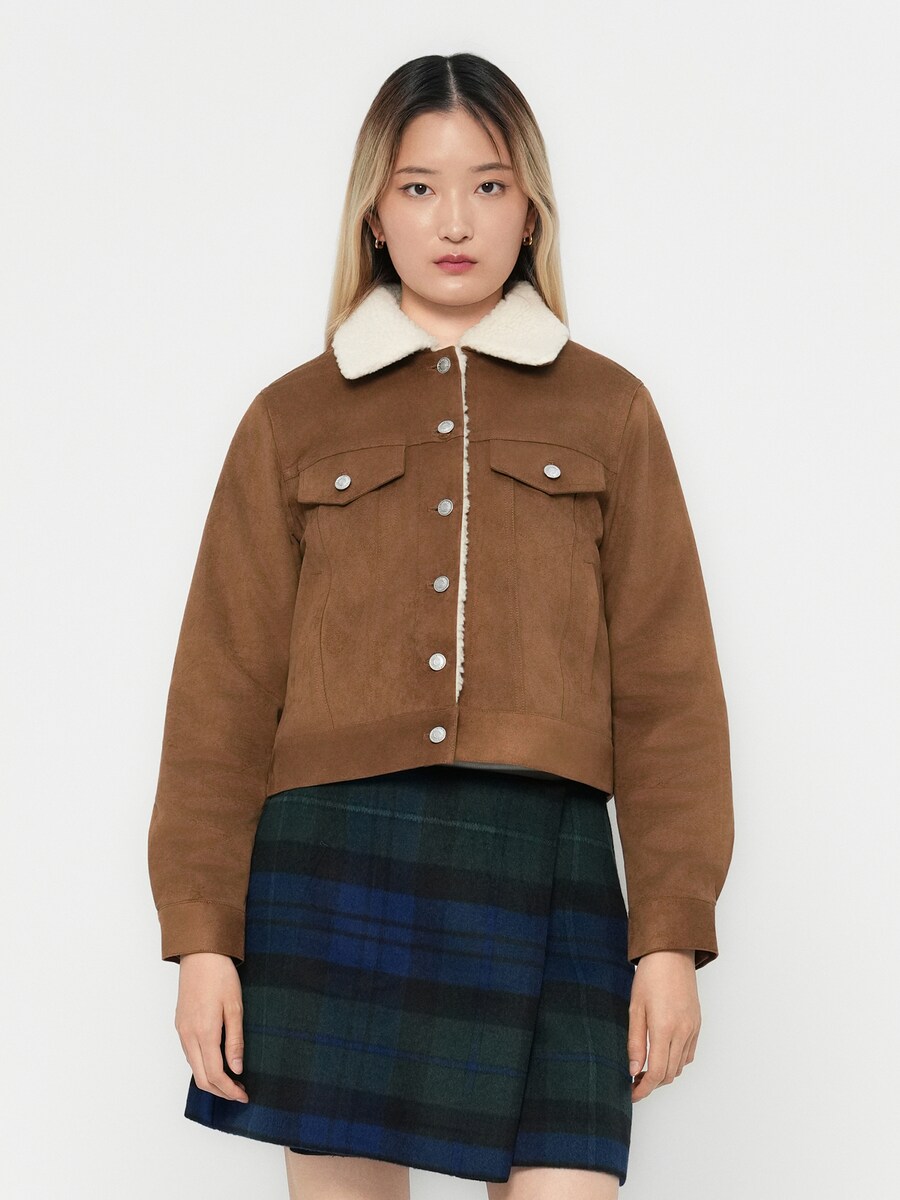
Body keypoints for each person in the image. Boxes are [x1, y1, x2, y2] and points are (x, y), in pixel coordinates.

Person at [147, 52, 734, 1199]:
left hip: (548, 862)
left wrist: (670, 933)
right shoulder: (291, 417)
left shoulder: (609, 409)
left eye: (489, 185)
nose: (454, 220)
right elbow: (221, 693)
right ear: (374, 213)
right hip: (333, 862)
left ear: (531, 210)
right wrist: (203, 935)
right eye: (418, 187)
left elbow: (670, 692)